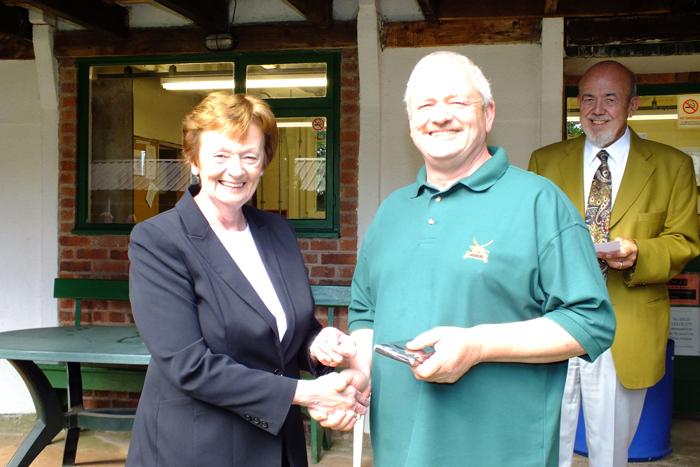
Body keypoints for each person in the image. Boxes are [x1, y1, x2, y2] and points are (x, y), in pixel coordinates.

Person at [337, 51, 616, 467]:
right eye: (425, 105)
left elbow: (590, 320)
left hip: (499, 451)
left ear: (488, 114)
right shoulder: (391, 212)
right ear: (411, 120)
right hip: (398, 450)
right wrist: (358, 377)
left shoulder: (539, 203)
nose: (440, 116)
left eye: (457, 102)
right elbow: (365, 314)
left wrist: (478, 345)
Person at [126, 92, 367, 467]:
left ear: (263, 163)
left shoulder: (276, 230)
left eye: (249, 156)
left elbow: (287, 331)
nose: (235, 170)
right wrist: (307, 393)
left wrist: (317, 343)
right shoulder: (158, 239)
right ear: (193, 159)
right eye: (220, 155)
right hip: (197, 449)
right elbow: (189, 365)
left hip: (278, 447)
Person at [529, 61, 700, 467]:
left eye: (610, 98)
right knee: (545, 444)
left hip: (628, 322)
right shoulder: (544, 161)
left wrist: (638, 252)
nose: (596, 108)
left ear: (633, 105)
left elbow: (685, 241)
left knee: (610, 452)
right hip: (554, 319)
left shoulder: (672, 165)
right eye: (587, 97)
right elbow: (527, 238)